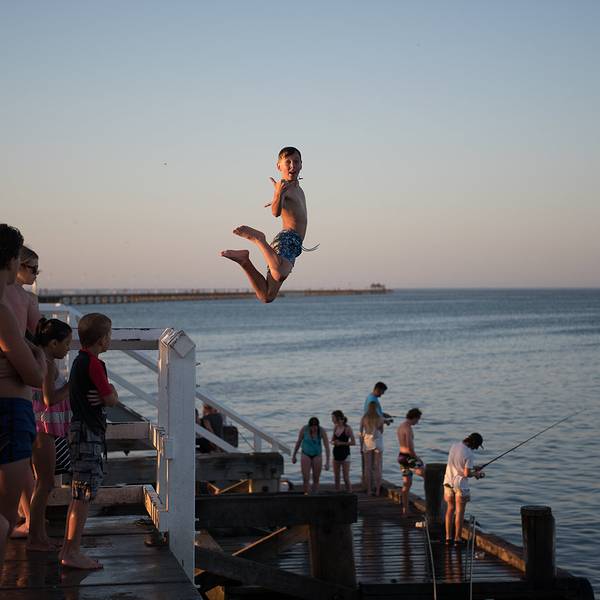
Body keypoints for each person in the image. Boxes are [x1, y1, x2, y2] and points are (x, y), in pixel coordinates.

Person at [0, 224, 46, 566]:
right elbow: (34, 372)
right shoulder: (13, 305)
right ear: (13, 261)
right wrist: (39, 357)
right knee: (3, 518)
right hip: (12, 407)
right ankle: (32, 525)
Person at [59, 313, 118, 569]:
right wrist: (112, 392)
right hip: (87, 435)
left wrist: (108, 393)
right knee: (83, 495)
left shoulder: (79, 361)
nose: (110, 339)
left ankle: (68, 549)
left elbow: (105, 396)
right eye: (109, 334)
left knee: (78, 494)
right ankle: (72, 552)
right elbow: (110, 399)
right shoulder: (94, 364)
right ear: (101, 339)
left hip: (80, 431)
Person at [221, 146, 316, 303]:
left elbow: (287, 206)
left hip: (295, 244)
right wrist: (278, 195)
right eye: (287, 162)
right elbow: (275, 212)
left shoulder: (297, 189)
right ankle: (258, 239)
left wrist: (278, 198)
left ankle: (244, 261)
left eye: (296, 161)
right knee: (279, 273)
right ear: (279, 166)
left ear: (301, 165)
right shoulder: (284, 188)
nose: (292, 165)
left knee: (266, 295)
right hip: (287, 239)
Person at [28, 318, 72, 551]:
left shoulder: (40, 360)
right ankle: (36, 538)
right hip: (43, 430)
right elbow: (49, 399)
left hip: (40, 428)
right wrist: (72, 385)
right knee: (44, 483)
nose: (68, 349)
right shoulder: (48, 364)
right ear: (53, 343)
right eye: (66, 344)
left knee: (43, 483)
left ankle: (39, 536)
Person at [443, 432, 485, 546]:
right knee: (460, 513)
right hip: (461, 486)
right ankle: (457, 539)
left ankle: (448, 538)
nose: (476, 449)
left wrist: (474, 468)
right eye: (477, 446)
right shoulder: (469, 454)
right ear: (474, 444)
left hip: (448, 483)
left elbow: (458, 464)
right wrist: (477, 474)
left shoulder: (454, 446)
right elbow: (466, 473)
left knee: (450, 510)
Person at [396, 408, 425, 516]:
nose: (418, 422)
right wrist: (418, 459)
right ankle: (431, 504)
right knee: (427, 475)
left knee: (407, 484)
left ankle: (405, 509)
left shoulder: (401, 426)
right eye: (418, 419)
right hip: (408, 458)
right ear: (415, 418)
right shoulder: (408, 428)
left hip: (401, 457)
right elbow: (410, 448)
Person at [292, 417, 330, 494]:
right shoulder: (304, 429)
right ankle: (306, 494)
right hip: (306, 454)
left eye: (315, 427)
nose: (314, 429)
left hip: (317, 455)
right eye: (312, 427)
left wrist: (327, 462)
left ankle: (315, 494)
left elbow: (327, 447)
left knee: (316, 478)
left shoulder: (321, 431)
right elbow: (298, 442)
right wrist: (294, 455)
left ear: (318, 426)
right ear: (309, 426)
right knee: (306, 478)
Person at [360, 401, 385, 496]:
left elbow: (361, 432)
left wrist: (361, 444)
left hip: (367, 441)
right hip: (377, 441)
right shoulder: (380, 418)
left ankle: (369, 490)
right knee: (377, 466)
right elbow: (381, 431)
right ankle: (378, 490)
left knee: (368, 467)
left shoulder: (364, 418)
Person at [331, 410, 356, 492]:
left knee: (345, 477)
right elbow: (332, 440)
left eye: (333, 418)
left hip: (345, 454)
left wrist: (341, 443)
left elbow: (353, 442)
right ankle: (337, 493)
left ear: (338, 418)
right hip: (336, 453)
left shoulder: (347, 428)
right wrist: (334, 442)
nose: (332, 420)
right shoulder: (335, 427)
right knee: (336, 477)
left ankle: (350, 492)